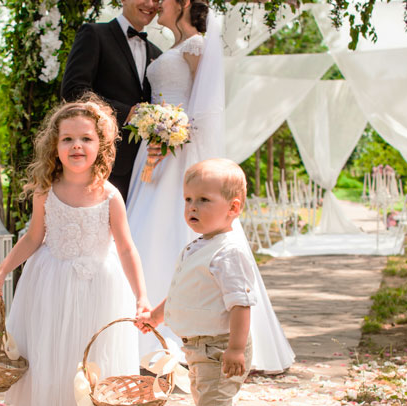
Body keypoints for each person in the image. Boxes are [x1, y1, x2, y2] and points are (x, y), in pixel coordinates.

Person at [126, 0, 295, 373]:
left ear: (183, 2)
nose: (156, 3)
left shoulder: (197, 46)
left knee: (181, 223)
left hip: (180, 151)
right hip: (155, 151)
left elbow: (204, 110)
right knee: (145, 230)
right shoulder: (165, 48)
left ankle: (186, 333)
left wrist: (176, 133)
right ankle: (139, 327)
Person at [0, 95, 149, 406]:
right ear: (54, 146)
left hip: (100, 286)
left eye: (86, 138)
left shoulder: (110, 195)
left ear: (100, 145)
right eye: (68, 139)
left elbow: (126, 248)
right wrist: (2, 270)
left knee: (100, 355)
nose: (77, 145)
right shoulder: (47, 192)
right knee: (53, 351)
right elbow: (33, 237)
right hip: (53, 281)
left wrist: (141, 296)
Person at [136, 159, 255, 406]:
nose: (193, 207)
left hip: (220, 347)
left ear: (233, 207)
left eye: (204, 200)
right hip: (199, 347)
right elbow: (181, 291)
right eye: (188, 199)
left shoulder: (229, 251)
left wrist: (236, 349)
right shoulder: (201, 244)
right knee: (206, 404)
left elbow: (241, 304)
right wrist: (157, 316)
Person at [61, 0, 162, 200]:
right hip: (101, 160)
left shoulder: (158, 54)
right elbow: (74, 90)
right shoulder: (94, 34)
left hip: (144, 165)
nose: (150, 4)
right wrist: (126, 112)